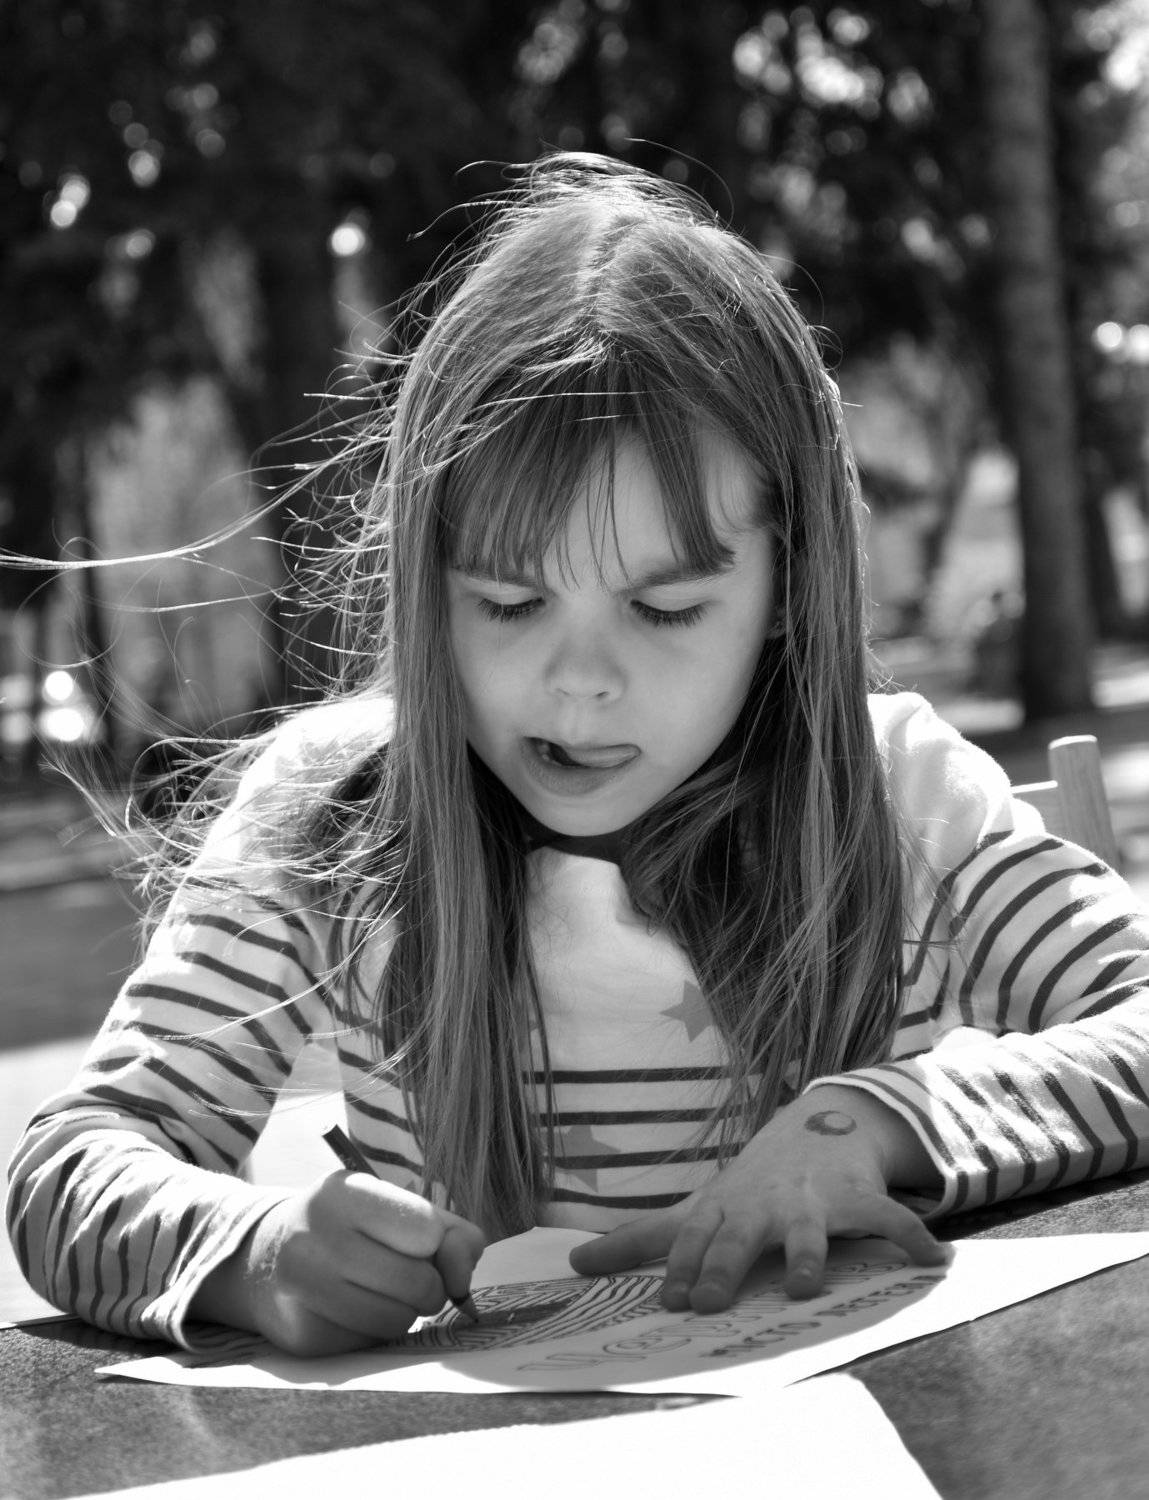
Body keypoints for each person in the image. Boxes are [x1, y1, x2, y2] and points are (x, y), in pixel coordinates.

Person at [7, 154, 1149, 1358]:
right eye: (507, 602)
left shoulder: (899, 792)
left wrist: (873, 1125)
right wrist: (254, 1254)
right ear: (428, 587)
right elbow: (70, 1164)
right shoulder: (329, 814)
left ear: (787, 587)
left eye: (665, 609)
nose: (581, 681)